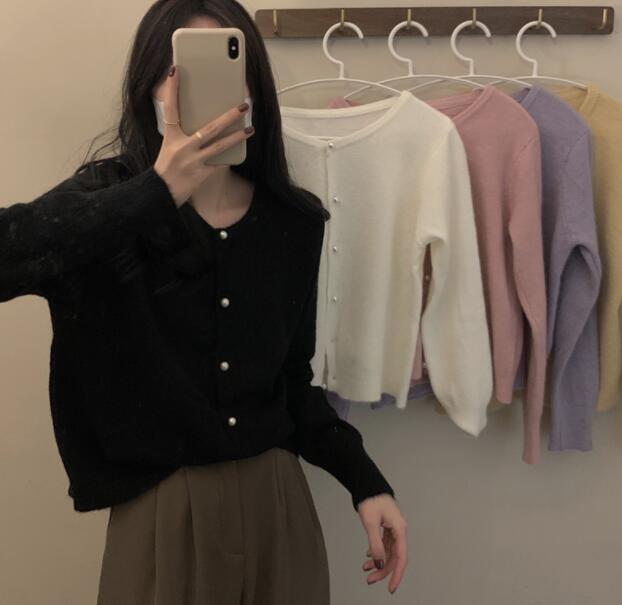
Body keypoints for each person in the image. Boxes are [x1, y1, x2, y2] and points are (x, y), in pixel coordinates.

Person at [1, 1, 407, 602]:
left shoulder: (293, 222)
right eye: (181, 72)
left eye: (227, 66)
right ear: (150, 86)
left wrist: (367, 483)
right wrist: (156, 192)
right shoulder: (105, 206)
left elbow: (292, 385)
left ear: (252, 86)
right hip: (157, 517)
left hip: (278, 509)